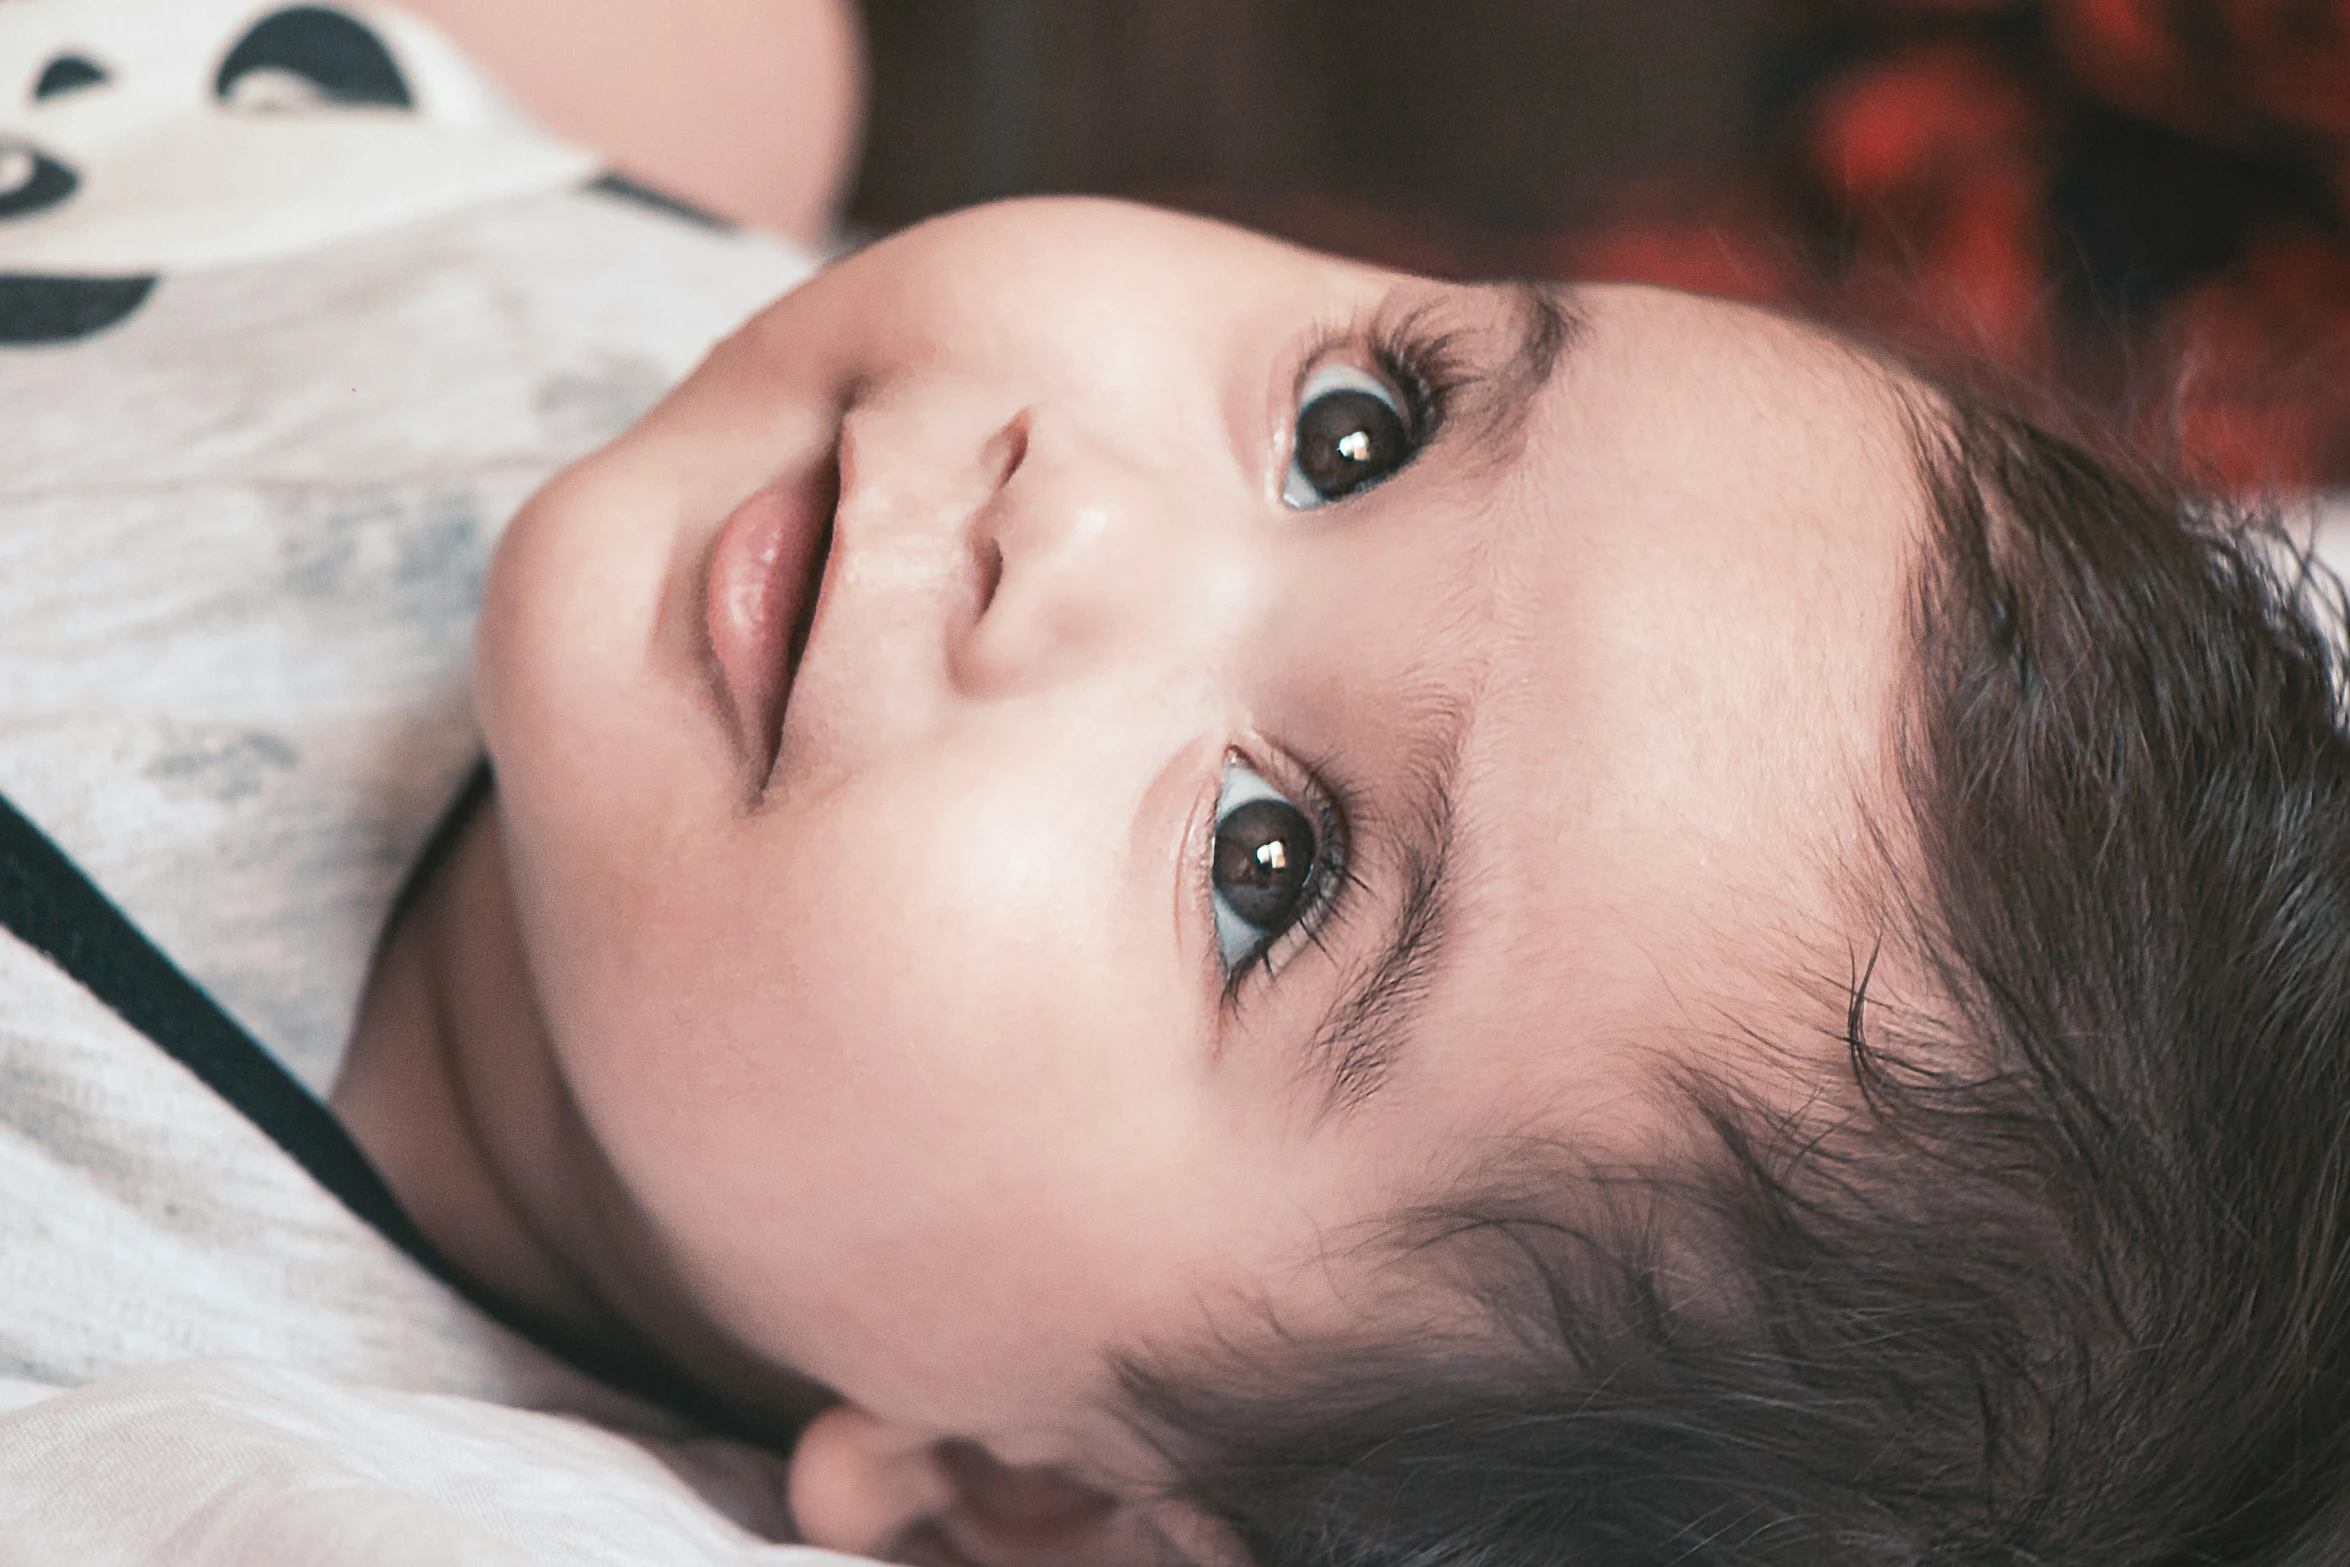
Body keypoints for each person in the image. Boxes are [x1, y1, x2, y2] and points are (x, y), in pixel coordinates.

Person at [8, 9, 2350, 1567]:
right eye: (1360, 425)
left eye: (1269, 868)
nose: (1082, 519)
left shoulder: (178, 1386)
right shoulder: (688, 305)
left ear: (1014, 1501)